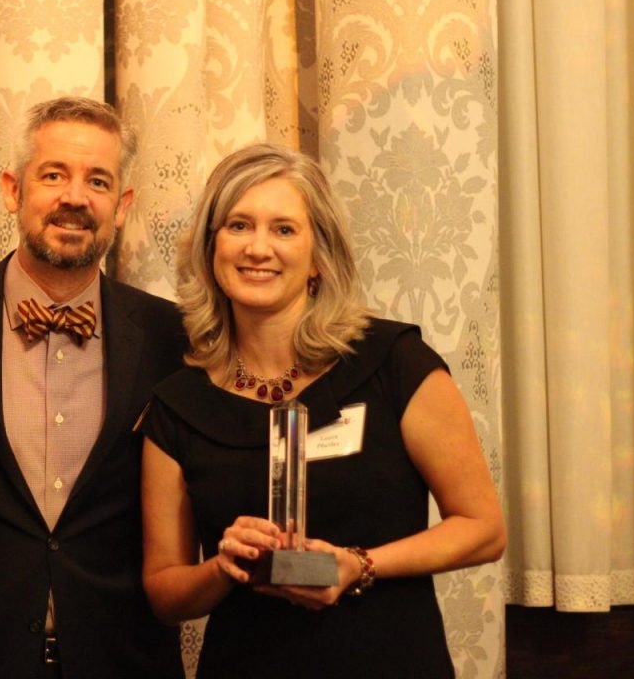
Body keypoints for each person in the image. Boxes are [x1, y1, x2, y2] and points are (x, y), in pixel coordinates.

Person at [141, 144, 505, 678]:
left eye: (284, 229)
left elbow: (484, 529)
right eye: (239, 225)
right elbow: (165, 592)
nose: (258, 248)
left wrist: (358, 565)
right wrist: (224, 567)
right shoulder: (178, 404)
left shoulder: (394, 364)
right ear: (211, 249)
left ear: (318, 257)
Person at [0, 97, 186, 678]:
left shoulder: (174, 338)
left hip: (125, 662)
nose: (75, 197)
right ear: (13, 190)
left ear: (123, 206)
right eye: (54, 175)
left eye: (98, 180)